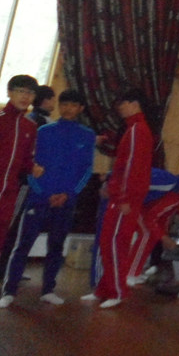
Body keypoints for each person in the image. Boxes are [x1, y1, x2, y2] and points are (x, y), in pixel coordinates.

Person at [0, 89, 95, 308]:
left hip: (66, 201)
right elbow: (30, 165)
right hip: (39, 198)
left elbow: (86, 169)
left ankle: (48, 290)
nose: (68, 109)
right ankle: (9, 290)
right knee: (22, 245)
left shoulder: (87, 135)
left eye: (73, 105)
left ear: (80, 108)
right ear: (59, 106)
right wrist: (43, 192)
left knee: (57, 246)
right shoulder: (43, 131)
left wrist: (68, 194)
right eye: (64, 104)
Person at [88, 88, 154, 308]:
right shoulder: (132, 129)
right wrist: (111, 186)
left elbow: (133, 167)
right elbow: (122, 166)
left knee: (115, 244)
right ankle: (104, 289)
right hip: (121, 196)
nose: (120, 108)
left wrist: (124, 197)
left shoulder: (137, 130)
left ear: (134, 104)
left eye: (122, 104)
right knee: (108, 242)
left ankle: (117, 292)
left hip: (126, 199)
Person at [125, 168, 179, 283]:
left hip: (141, 209)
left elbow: (163, 220)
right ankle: (130, 273)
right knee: (146, 235)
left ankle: (135, 271)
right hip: (136, 207)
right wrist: (164, 237)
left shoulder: (176, 201)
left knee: (152, 237)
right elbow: (151, 218)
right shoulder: (175, 197)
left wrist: (163, 236)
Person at [0, 75, 39, 250]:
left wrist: (32, 168)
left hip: (9, 193)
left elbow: (25, 160)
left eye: (30, 93)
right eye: (21, 91)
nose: (25, 96)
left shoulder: (30, 126)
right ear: (9, 92)